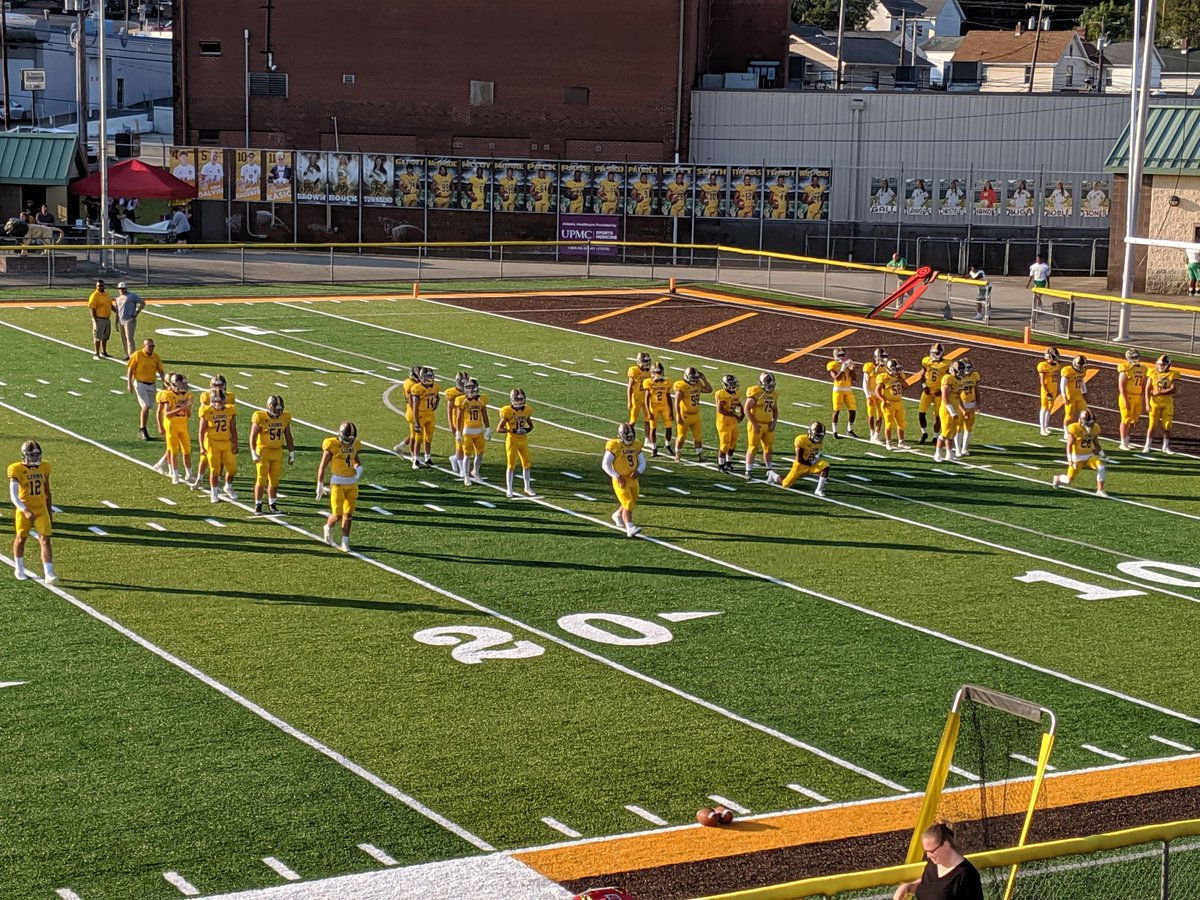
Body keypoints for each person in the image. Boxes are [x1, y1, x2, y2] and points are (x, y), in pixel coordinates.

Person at [893, 822, 983, 900]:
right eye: (926, 851)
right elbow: (933, 886)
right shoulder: (933, 864)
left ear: (946, 845)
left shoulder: (967, 875)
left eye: (932, 851)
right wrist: (908, 887)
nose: (928, 856)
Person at [9, 441, 57, 584]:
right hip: (25, 508)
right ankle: (19, 568)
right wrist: (25, 510)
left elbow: (47, 491)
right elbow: (14, 496)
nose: (36, 457)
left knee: (45, 539)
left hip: (41, 507)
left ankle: (48, 572)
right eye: (32, 454)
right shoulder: (16, 469)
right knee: (21, 538)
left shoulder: (44, 467)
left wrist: (49, 510)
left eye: (37, 454)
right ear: (25, 455)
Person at [316, 421, 361, 552]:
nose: (349, 441)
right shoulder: (332, 445)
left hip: (352, 484)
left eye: (351, 439)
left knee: (348, 515)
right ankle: (328, 526)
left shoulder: (356, 445)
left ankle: (345, 542)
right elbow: (322, 466)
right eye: (347, 438)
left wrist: (359, 469)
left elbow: (357, 461)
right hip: (338, 484)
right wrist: (320, 484)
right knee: (337, 514)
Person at [249, 394, 294, 514]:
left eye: (280, 409)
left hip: (277, 452)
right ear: (269, 407)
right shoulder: (260, 417)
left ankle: (272, 504)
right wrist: (253, 452)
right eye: (276, 408)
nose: (278, 411)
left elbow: (288, 435)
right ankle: (258, 504)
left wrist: (291, 452)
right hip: (263, 452)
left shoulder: (284, 418)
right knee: (261, 479)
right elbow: (252, 436)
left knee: (274, 481)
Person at [191, 375, 236, 490]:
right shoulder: (206, 396)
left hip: (222, 431)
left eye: (220, 385)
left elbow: (229, 414)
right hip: (210, 431)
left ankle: (218, 478)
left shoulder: (229, 397)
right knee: (204, 459)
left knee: (221, 459)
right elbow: (204, 412)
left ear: (225, 385)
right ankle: (199, 479)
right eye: (215, 385)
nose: (218, 387)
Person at [602, 423, 645, 538]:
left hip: (632, 478)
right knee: (628, 502)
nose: (630, 439)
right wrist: (616, 476)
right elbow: (605, 465)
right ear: (621, 436)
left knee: (632, 500)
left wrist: (639, 471)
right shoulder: (614, 446)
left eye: (631, 437)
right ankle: (630, 527)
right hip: (620, 479)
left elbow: (642, 461)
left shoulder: (636, 445)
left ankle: (618, 515)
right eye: (627, 437)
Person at [1053, 409, 1108, 498]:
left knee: (1101, 466)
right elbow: (1069, 445)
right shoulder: (1074, 428)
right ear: (1081, 420)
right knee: (1068, 480)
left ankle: (1100, 490)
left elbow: (1095, 442)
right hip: (1077, 457)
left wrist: (1102, 455)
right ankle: (1058, 478)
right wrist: (1070, 460)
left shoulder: (1095, 428)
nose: (1090, 426)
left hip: (1090, 456)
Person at [198, 389, 238, 503]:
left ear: (224, 400)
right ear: (211, 401)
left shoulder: (230, 410)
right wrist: (201, 446)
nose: (217, 404)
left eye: (220, 401)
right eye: (215, 401)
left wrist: (235, 443)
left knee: (233, 469)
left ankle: (228, 486)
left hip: (226, 442)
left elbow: (233, 429)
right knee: (215, 470)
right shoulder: (206, 411)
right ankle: (214, 492)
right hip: (212, 443)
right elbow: (201, 430)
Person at [770, 421, 830, 497]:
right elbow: (799, 459)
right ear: (810, 433)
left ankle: (818, 490)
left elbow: (817, 454)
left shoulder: (819, 442)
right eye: (816, 435)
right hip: (800, 466)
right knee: (785, 484)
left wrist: (815, 461)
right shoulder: (801, 440)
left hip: (810, 464)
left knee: (825, 466)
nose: (818, 438)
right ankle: (773, 475)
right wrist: (811, 463)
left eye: (820, 436)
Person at [497, 388, 536, 499]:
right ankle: (509, 489)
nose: (519, 401)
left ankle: (527, 487)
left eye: (521, 399)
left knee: (527, 463)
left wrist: (526, 430)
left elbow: (531, 426)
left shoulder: (527, 410)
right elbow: (499, 428)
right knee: (511, 465)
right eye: (517, 399)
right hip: (512, 440)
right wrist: (513, 430)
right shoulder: (508, 411)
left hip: (523, 440)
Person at [157, 372, 194, 484]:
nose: (183, 386)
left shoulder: (187, 395)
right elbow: (167, 414)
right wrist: (183, 407)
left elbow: (189, 414)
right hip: (171, 426)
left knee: (187, 451)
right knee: (173, 451)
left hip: (183, 425)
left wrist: (187, 407)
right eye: (181, 384)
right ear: (173, 385)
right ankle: (175, 473)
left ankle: (189, 473)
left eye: (183, 384)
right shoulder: (168, 395)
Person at [125, 338, 164, 441]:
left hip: (152, 385)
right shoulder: (138, 355)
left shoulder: (155, 357)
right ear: (145, 346)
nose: (152, 348)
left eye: (153, 346)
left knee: (150, 406)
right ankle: (143, 429)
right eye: (150, 346)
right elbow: (130, 369)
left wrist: (165, 382)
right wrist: (129, 383)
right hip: (140, 383)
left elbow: (160, 370)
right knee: (146, 406)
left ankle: (143, 429)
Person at [672, 367, 712, 462]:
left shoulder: (698, 384)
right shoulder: (682, 386)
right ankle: (678, 453)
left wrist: (704, 379)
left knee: (698, 436)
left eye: (695, 377)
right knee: (681, 437)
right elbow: (676, 403)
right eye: (692, 377)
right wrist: (678, 416)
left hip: (695, 415)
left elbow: (709, 390)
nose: (694, 379)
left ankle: (700, 455)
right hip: (684, 415)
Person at [455, 378, 490, 485]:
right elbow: (459, 418)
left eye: (471, 387)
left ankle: (475, 471)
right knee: (467, 454)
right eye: (468, 388)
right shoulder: (462, 400)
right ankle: (466, 476)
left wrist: (488, 428)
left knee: (480, 453)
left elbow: (484, 414)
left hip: (479, 431)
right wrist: (458, 432)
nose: (470, 390)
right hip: (467, 432)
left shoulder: (481, 399)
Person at [743, 372, 779, 477]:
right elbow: (746, 409)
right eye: (768, 384)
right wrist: (754, 424)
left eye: (771, 385)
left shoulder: (774, 395)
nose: (770, 387)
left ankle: (769, 469)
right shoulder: (756, 392)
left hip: (767, 425)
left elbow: (775, 411)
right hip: (756, 424)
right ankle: (748, 470)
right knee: (753, 447)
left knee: (768, 448)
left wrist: (774, 422)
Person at [1144, 355, 1178, 454]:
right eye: (1159, 364)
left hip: (1167, 402)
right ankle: (1147, 445)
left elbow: (1173, 389)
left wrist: (1159, 392)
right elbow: (1147, 389)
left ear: (1168, 365)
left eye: (1163, 364)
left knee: (1167, 425)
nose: (1160, 366)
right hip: (1155, 402)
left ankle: (1165, 446)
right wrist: (1147, 403)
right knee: (1152, 425)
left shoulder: (1172, 374)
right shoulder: (1152, 373)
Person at [934, 360, 965, 463]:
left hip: (955, 409)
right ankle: (937, 453)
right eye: (958, 371)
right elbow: (944, 397)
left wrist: (961, 410)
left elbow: (958, 397)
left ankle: (948, 453)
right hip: (947, 410)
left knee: (952, 433)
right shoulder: (948, 379)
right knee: (945, 433)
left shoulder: (958, 380)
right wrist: (952, 411)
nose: (960, 373)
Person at [408, 366, 440, 469]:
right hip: (420, 415)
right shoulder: (417, 388)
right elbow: (415, 407)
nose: (430, 378)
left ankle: (427, 458)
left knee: (429, 437)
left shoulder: (435, 386)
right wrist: (416, 422)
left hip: (430, 414)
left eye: (431, 376)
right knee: (419, 439)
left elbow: (437, 397)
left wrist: (436, 404)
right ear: (422, 377)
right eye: (428, 376)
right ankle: (415, 460)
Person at [1117, 348, 1148, 450]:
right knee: (1125, 420)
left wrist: (1143, 397)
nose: (1135, 359)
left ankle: (1127, 440)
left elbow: (1143, 384)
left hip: (1137, 397)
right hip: (1128, 396)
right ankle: (1122, 442)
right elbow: (1121, 386)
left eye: (1136, 356)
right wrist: (1125, 400)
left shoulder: (1143, 369)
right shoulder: (1125, 369)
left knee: (1133, 421)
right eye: (1133, 357)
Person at [918, 343, 949, 444]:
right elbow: (922, 375)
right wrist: (924, 386)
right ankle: (924, 433)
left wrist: (942, 389)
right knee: (921, 413)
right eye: (934, 352)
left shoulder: (946, 363)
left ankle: (935, 437)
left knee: (937, 415)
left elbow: (949, 379)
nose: (935, 354)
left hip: (938, 392)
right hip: (927, 390)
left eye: (937, 353)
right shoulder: (926, 361)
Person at [875, 357, 909, 450]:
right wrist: (883, 400)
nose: (896, 371)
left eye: (896, 369)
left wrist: (899, 377)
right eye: (894, 369)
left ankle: (901, 442)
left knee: (901, 423)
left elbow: (906, 386)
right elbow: (877, 391)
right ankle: (888, 443)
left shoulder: (900, 375)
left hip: (899, 402)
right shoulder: (883, 377)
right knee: (889, 424)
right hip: (888, 403)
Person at [642, 362, 674, 457]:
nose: (658, 374)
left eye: (659, 372)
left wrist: (671, 411)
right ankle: (654, 448)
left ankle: (668, 445)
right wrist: (648, 412)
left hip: (664, 406)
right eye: (656, 372)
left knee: (669, 427)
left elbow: (668, 397)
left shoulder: (666, 382)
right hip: (654, 407)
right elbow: (646, 399)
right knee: (653, 428)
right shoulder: (649, 383)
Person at [713, 374, 743, 473]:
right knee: (725, 445)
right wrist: (734, 415)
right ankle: (721, 464)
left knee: (733, 443)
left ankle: (729, 462)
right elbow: (720, 409)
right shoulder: (721, 394)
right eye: (731, 383)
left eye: (734, 383)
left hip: (732, 422)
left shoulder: (736, 394)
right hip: (723, 422)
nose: (733, 385)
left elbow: (738, 404)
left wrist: (742, 411)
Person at [826, 348, 858, 438]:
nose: (842, 357)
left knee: (853, 410)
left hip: (848, 389)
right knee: (836, 411)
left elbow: (855, 378)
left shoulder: (847, 363)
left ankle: (850, 429)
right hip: (838, 390)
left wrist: (851, 369)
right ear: (835, 356)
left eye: (843, 355)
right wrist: (842, 369)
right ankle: (835, 432)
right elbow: (836, 378)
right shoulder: (832, 365)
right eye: (839, 355)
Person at [1059, 354, 1089, 439]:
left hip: (1078, 395)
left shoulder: (1082, 371)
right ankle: (1065, 431)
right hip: (1070, 396)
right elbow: (1062, 385)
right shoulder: (1067, 371)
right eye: (1081, 366)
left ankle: (1080, 429)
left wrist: (1084, 393)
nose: (1082, 368)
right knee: (1069, 416)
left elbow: (1082, 382)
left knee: (1084, 413)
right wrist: (1064, 396)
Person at [627, 352, 653, 448]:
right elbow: (630, 387)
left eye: (647, 361)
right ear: (638, 361)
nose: (646, 363)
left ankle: (647, 439)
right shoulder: (634, 370)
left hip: (646, 398)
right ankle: (627, 436)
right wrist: (629, 401)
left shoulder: (650, 371)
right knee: (633, 421)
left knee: (648, 419)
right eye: (644, 361)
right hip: (636, 398)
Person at [862, 348, 888, 445]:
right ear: (876, 357)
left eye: (884, 357)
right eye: (881, 357)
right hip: (871, 394)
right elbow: (865, 383)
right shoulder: (869, 367)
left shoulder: (886, 368)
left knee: (880, 415)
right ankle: (872, 433)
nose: (883, 359)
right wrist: (868, 395)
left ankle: (876, 435)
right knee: (871, 415)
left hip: (880, 394)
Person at [113, 281, 145, 360]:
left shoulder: (132, 296)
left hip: (129, 320)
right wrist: (116, 322)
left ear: (126, 288)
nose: (121, 290)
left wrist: (137, 312)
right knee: (123, 338)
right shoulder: (117, 299)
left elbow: (142, 303)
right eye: (120, 288)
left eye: (123, 288)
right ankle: (127, 354)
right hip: (121, 320)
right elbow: (117, 311)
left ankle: (132, 355)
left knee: (129, 338)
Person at [444, 371, 468, 476]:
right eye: (461, 381)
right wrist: (451, 425)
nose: (463, 384)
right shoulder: (452, 393)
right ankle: (462, 468)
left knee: (466, 444)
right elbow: (449, 411)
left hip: (468, 421)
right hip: (457, 421)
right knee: (460, 444)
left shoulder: (469, 391)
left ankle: (454, 458)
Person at [955, 358, 980, 456]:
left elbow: (977, 390)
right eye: (967, 367)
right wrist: (961, 409)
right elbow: (956, 395)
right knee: (958, 428)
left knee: (968, 428)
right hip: (960, 405)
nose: (969, 370)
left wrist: (978, 403)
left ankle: (964, 449)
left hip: (971, 404)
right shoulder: (958, 378)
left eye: (970, 367)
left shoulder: (974, 376)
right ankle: (957, 449)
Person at [1036, 347, 1061, 436]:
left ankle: (1046, 426)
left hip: (1053, 388)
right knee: (1044, 408)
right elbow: (1042, 381)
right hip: (1046, 389)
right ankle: (1042, 428)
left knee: (1049, 408)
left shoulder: (1056, 365)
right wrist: (1047, 391)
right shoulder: (1043, 366)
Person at [87, 279, 114, 359]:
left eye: (102, 285)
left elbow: (110, 305)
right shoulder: (94, 295)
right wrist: (95, 321)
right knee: (98, 337)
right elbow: (92, 308)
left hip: (106, 319)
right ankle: (96, 353)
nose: (101, 287)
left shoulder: (106, 294)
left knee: (105, 337)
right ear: (96, 286)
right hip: (99, 319)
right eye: (99, 286)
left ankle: (104, 352)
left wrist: (118, 312)